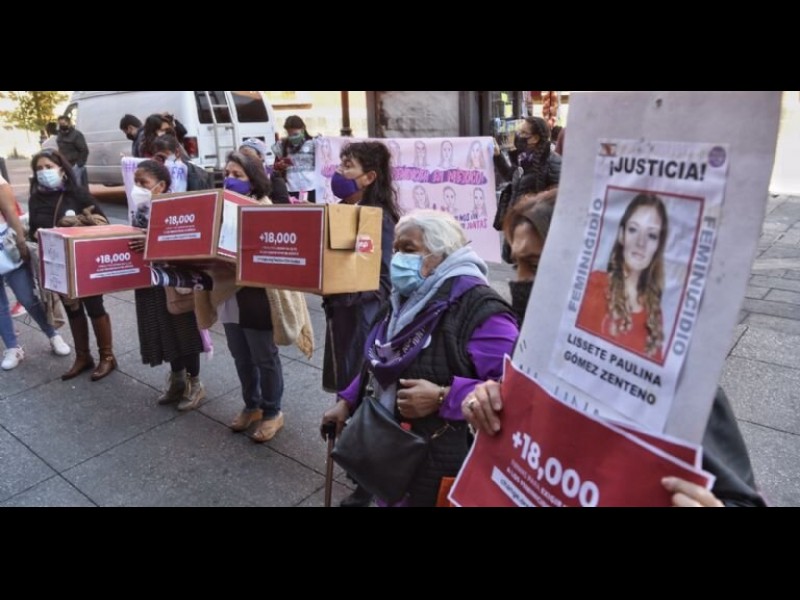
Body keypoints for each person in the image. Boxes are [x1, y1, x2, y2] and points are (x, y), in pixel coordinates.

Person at [463, 197, 765, 507]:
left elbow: (742, 499)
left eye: (537, 266)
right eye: (518, 266)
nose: (520, 282)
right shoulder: (531, 348)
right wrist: (486, 406)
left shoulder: (672, 384)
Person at [321, 209, 519, 507]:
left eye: (409, 249)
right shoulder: (403, 299)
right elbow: (378, 358)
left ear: (441, 254)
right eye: (396, 249)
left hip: (435, 465)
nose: (398, 259)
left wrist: (443, 397)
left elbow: (514, 391)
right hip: (386, 453)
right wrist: (347, 401)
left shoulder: (481, 311)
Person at [210, 152, 289, 442]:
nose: (229, 180)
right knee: (241, 356)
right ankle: (252, 405)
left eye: (238, 175)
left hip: (257, 296)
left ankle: (272, 412)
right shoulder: (220, 208)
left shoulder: (267, 210)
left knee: (264, 357)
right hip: (228, 293)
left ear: (253, 181)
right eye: (227, 174)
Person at [27, 149, 115, 380]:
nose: (44, 172)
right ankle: (83, 357)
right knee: (72, 309)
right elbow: (33, 229)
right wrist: (37, 233)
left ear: (61, 170)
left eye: (48, 167)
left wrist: (76, 222)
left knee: (95, 307)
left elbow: (104, 224)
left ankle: (107, 357)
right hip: (58, 264)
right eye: (39, 168)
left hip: (84, 263)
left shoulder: (78, 194)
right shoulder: (36, 198)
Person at [127, 160, 206, 410]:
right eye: (136, 182)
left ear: (161, 186)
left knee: (185, 332)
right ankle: (177, 380)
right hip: (149, 281)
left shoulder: (177, 208)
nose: (138, 187)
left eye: (144, 183)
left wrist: (151, 242)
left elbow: (188, 243)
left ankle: (195, 383)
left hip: (174, 281)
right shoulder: (140, 210)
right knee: (164, 332)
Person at [576, 193, 667, 362]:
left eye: (652, 235)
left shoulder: (654, 311)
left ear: (658, 246)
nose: (641, 243)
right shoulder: (594, 283)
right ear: (621, 235)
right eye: (633, 229)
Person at [0, 171, 71, 370]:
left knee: (28, 299)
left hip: (7, 248)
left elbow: (10, 213)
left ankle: (53, 335)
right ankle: (12, 348)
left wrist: (21, 245)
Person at [272, 115, 317, 203]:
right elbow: (275, 166)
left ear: (303, 129)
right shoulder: (282, 144)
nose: (292, 137)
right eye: (290, 134)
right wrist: (280, 166)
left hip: (311, 187)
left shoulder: (313, 143)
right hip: (291, 188)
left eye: (295, 134)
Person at [238, 138, 290, 204]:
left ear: (260, 157)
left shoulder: (273, 176)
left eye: (248, 155)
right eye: (241, 156)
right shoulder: (235, 176)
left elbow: (283, 203)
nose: (243, 159)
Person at [56, 115, 89, 188]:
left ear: (69, 123)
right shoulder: (59, 135)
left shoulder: (76, 135)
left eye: (63, 124)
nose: (62, 126)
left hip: (75, 166)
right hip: (65, 166)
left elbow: (84, 150)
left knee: (77, 187)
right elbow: (60, 149)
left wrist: (79, 165)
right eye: (60, 124)